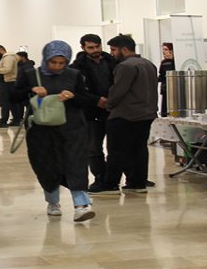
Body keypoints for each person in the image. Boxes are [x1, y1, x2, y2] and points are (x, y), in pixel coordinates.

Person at [12, 41, 97, 222]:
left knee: (76, 164)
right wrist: (31, 90)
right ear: (46, 59)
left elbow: (86, 100)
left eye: (62, 63)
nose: (58, 67)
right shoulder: (31, 75)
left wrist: (73, 96)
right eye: (53, 62)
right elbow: (13, 96)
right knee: (46, 165)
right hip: (41, 131)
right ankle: (53, 202)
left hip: (72, 128)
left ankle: (81, 205)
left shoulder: (74, 75)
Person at [88, 35, 158, 195]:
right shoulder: (149, 64)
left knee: (116, 151)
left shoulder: (125, 66)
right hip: (146, 114)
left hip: (125, 115)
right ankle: (137, 182)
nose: (111, 53)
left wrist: (108, 104)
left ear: (124, 49)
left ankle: (110, 183)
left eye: (113, 49)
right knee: (139, 150)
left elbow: (118, 91)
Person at [70, 34, 116, 187]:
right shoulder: (76, 68)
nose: (95, 50)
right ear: (83, 48)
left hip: (114, 111)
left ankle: (114, 179)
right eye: (91, 47)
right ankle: (100, 178)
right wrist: (96, 101)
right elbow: (76, 93)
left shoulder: (113, 62)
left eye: (98, 46)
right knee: (94, 149)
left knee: (116, 148)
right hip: (91, 114)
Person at [0, 44, 22, 128]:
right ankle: (16, 120)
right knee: (11, 102)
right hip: (11, 82)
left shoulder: (8, 57)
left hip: (8, 82)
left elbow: (7, 69)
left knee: (4, 102)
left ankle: (3, 121)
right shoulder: (10, 57)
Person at [158, 42, 176, 116]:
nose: (164, 52)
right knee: (165, 110)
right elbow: (161, 76)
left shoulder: (175, 62)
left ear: (171, 51)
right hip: (165, 89)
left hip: (174, 89)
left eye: (166, 49)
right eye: (163, 50)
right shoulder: (163, 62)